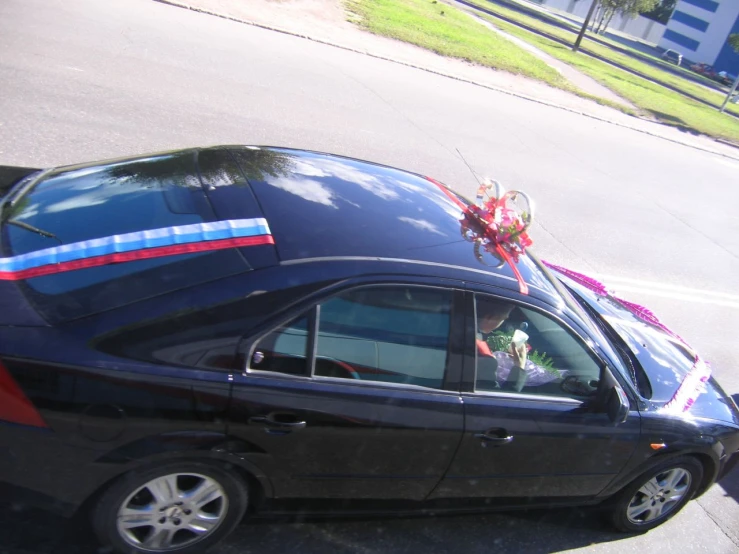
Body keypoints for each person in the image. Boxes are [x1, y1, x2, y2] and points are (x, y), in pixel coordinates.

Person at [476, 298, 528, 392]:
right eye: (503, 318)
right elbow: (501, 399)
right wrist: (519, 367)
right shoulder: (483, 355)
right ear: (489, 318)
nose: (502, 322)